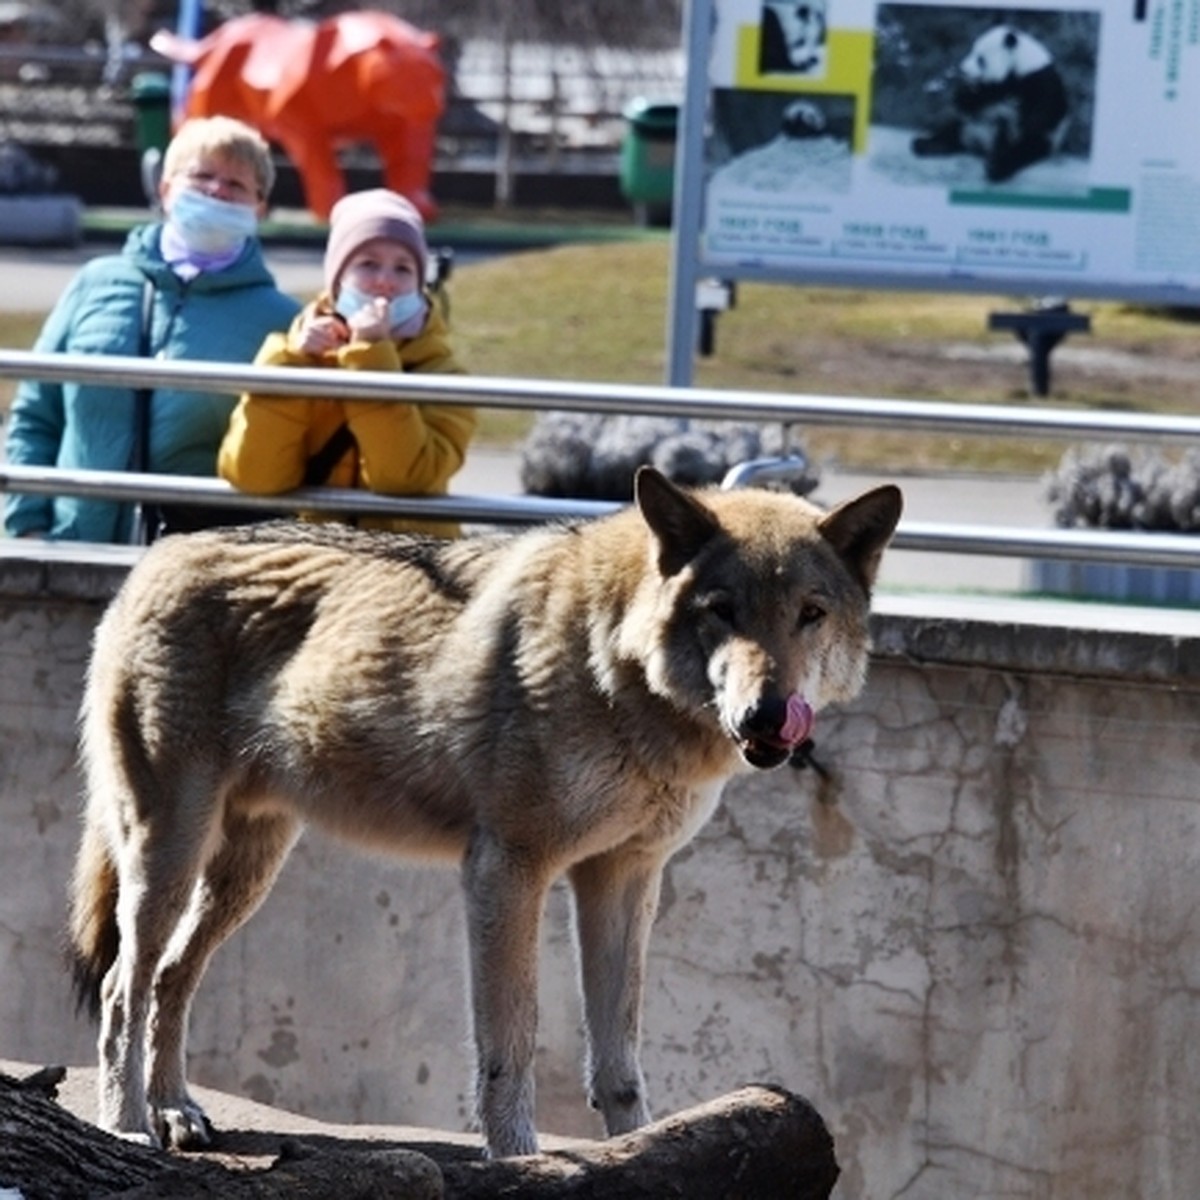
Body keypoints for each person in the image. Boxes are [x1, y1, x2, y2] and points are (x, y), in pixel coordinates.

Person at [3, 115, 301, 543]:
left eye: (236, 185)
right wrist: (27, 525)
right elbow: (37, 410)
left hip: (191, 576)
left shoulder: (281, 320)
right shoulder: (95, 282)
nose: (217, 190)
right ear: (165, 189)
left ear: (260, 208)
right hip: (70, 550)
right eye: (201, 176)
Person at [218, 187, 475, 536]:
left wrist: (370, 355)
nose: (385, 281)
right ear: (337, 281)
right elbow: (254, 475)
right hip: (314, 565)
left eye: (403, 268)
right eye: (368, 264)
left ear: (420, 284)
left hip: (410, 572)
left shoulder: (443, 373)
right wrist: (292, 365)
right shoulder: (292, 355)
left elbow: (406, 478)